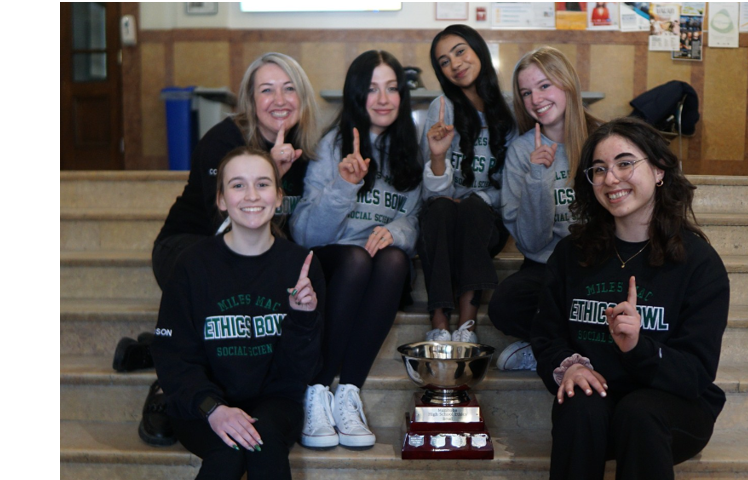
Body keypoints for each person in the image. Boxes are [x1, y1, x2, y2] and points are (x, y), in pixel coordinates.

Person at [531, 117, 730, 480]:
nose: (611, 178)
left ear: (658, 171)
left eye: (624, 163)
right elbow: (547, 334)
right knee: (579, 403)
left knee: (640, 413)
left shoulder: (698, 264)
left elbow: (695, 373)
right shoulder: (572, 254)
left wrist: (640, 346)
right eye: (599, 169)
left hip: (671, 408)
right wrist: (568, 367)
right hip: (601, 405)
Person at [111, 52, 320, 447]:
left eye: (289, 88)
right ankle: (166, 388)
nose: (279, 99)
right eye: (267, 90)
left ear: (303, 96)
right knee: (219, 277)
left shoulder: (308, 148)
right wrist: (271, 174)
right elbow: (227, 232)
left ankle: (152, 348)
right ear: (249, 99)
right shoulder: (223, 141)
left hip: (258, 257)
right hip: (190, 247)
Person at [153, 146, 324, 480]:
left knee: (262, 442)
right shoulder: (192, 266)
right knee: (227, 454)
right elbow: (174, 358)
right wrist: (212, 408)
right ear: (220, 199)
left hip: (274, 400)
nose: (251, 195)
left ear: (279, 197)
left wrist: (302, 317)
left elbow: (300, 373)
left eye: (263, 184)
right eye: (237, 185)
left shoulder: (301, 268)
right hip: (201, 402)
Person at [290, 50, 423, 450]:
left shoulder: (407, 150)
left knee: (395, 258)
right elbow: (305, 234)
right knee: (355, 258)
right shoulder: (333, 146)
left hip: (380, 270)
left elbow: (414, 218)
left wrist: (396, 232)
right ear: (355, 95)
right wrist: (345, 185)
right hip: (336, 264)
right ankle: (316, 390)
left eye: (392, 88)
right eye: (371, 89)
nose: (383, 99)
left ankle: (348, 391)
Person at [489, 47, 600, 371]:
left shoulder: (604, 138)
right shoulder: (522, 151)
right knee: (505, 304)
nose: (535, 99)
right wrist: (538, 178)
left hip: (599, 263)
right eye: (526, 92)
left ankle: (545, 347)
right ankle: (557, 347)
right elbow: (532, 243)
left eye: (544, 85)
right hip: (546, 265)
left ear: (566, 84)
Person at [418, 24, 516, 344]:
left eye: (460, 51)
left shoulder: (510, 111)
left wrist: (480, 199)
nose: (455, 64)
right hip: (444, 220)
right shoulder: (441, 109)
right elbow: (431, 194)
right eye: (444, 61)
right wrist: (437, 157)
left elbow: (513, 188)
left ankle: (467, 325)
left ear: (478, 51)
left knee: (473, 208)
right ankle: (439, 322)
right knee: (441, 209)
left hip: (487, 221)